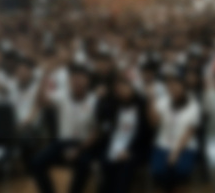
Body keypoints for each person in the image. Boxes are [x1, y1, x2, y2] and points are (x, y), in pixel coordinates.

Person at [31, 65, 98, 193]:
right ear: (69, 81)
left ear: (88, 80)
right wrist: (43, 80)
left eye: (80, 77)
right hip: (62, 143)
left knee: (85, 165)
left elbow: (95, 132)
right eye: (73, 78)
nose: (77, 81)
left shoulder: (95, 101)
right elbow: (41, 101)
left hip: (83, 144)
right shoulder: (62, 95)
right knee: (36, 163)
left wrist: (78, 149)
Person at [148, 73, 201, 193]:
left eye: (177, 86)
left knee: (181, 171)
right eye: (170, 87)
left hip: (185, 146)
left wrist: (175, 152)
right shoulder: (163, 101)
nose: (174, 89)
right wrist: (151, 99)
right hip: (162, 145)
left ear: (183, 87)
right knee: (159, 172)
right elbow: (153, 123)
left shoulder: (193, 104)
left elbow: (189, 132)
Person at [97, 75, 150, 193]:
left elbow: (145, 134)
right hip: (113, 146)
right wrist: (101, 99)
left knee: (124, 172)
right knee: (106, 169)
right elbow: (103, 125)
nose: (121, 90)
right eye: (118, 88)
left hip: (135, 148)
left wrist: (130, 150)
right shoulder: (112, 105)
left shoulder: (142, 104)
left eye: (124, 87)